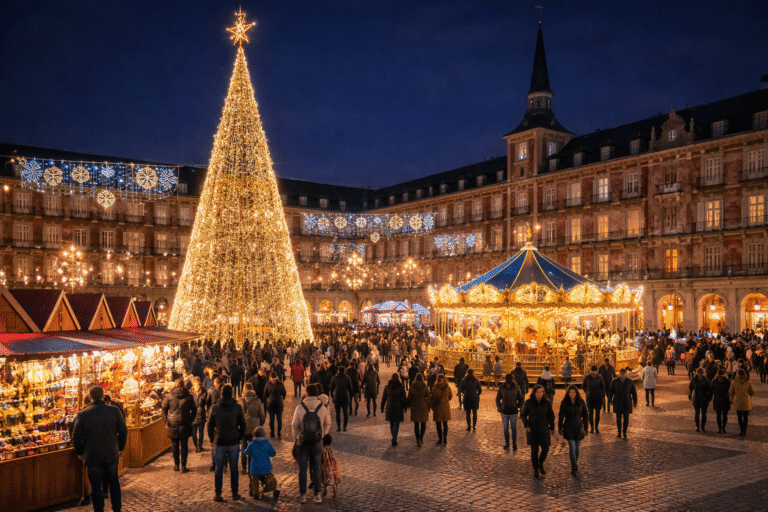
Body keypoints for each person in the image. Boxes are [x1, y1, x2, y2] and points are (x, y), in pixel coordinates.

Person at [72, 386, 128, 512]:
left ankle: (99, 510)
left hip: (92, 455)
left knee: (95, 486)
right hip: (111, 452)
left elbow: (76, 436)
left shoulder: (83, 414)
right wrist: (120, 447)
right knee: (114, 482)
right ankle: (117, 508)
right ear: (103, 396)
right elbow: (123, 431)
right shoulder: (114, 410)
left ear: (90, 397)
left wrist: (79, 451)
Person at [292, 384, 332, 504]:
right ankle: (317, 495)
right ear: (317, 393)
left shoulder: (300, 407)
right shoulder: (322, 408)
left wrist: (296, 438)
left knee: (302, 469)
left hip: (302, 442)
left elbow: (294, 425)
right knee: (316, 468)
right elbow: (328, 423)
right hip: (317, 442)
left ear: (307, 393)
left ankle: (303, 495)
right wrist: (322, 434)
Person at [208, 384, 246, 502]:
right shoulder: (237, 407)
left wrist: (211, 439)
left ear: (222, 394)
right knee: (234, 468)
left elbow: (210, 425)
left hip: (219, 440)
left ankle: (218, 493)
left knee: (219, 468)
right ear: (232, 394)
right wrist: (240, 436)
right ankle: (234, 493)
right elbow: (243, 424)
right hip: (233, 440)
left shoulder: (215, 408)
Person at [162, 378, 197, 473]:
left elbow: (164, 410)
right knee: (184, 445)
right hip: (185, 422)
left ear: (175, 385)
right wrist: (190, 420)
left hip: (172, 423)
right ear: (183, 385)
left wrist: (166, 420)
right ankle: (183, 465)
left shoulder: (169, 396)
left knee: (175, 445)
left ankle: (176, 465)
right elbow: (194, 409)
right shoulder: (189, 396)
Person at [520, 384, 555, 479]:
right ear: (534, 393)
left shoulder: (547, 402)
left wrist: (552, 427)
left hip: (544, 429)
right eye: (538, 392)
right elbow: (523, 415)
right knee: (534, 450)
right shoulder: (529, 402)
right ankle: (535, 469)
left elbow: (551, 416)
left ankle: (540, 462)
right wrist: (526, 425)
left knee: (546, 448)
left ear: (543, 393)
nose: (539, 394)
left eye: (541, 392)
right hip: (533, 429)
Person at [558, 385, 589, 474]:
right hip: (568, 427)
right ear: (568, 393)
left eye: (574, 392)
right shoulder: (564, 402)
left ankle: (574, 463)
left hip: (578, 427)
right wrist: (560, 427)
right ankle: (574, 466)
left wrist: (586, 428)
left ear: (576, 393)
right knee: (572, 447)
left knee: (577, 449)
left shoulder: (581, 402)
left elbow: (585, 415)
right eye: (570, 392)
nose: (572, 394)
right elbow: (561, 416)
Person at [244, 426, 279, 500]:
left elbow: (246, 452)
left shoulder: (251, 443)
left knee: (254, 479)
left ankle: (255, 491)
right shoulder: (267, 443)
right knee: (270, 477)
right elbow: (273, 453)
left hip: (255, 468)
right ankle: (271, 487)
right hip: (266, 467)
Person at [238, 382, 266, 474]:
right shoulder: (257, 401)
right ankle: (251, 467)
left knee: (243, 447)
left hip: (243, 427)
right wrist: (260, 425)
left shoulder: (240, 401)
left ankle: (243, 467)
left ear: (244, 390)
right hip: (254, 428)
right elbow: (262, 416)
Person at [495, 373, 524, 450]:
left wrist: (518, 406)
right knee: (506, 429)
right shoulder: (502, 388)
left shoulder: (516, 388)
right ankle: (508, 443)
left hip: (513, 411)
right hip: (505, 411)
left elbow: (521, 399)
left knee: (513, 428)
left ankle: (513, 443)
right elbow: (497, 398)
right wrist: (499, 406)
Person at [609, 368, 637, 438]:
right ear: (619, 374)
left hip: (626, 402)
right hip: (618, 402)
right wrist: (610, 400)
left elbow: (634, 392)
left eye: (624, 374)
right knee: (618, 419)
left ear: (626, 374)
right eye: (622, 374)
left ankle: (624, 432)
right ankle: (619, 431)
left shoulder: (630, 381)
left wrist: (635, 402)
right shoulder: (615, 381)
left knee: (626, 418)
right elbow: (611, 391)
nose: (623, 375)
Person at [381, 373, 408, 446]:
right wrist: (405, 407)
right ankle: (394, 437)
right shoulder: (401, 387)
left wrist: (382, 407)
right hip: (398, 406)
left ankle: (394, 437)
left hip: (389, 406)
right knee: (397, 423)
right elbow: (404, 398)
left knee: (391, 423)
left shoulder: (387, 387)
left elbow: (384, 398)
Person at [729, 368, 754, 436]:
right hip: (746, 402)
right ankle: (744, 431)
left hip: (737, 401)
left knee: (739, 417)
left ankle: (741, 430)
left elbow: (731, 392)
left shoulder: (733, 382)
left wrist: (731, 398)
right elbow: (752, 392)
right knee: (745, 417)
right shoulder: (748, 382)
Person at [407, 373, 430, 447]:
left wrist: (408, 405)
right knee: (423, 424)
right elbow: (428, 397)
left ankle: (417, 439)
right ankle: (421, 437)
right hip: (423, 406)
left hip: (415, 406)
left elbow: (409, 397)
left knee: (416, 425)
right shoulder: (425, 387)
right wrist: (428, 406)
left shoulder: (412, 387)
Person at [429, 374, 452, 444]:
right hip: (446, 407)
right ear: (444, 380)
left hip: (438, 408)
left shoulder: (435, 388)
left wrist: (430, 406)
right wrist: (445, 401)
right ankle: (445, 437)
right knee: (445, 424)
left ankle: (440, 439)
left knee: (438, 425)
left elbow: (433, 399)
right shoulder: (448, 387)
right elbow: (450, 397)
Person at [582, 365, 605, 434]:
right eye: (593, 371)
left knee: (597, 413)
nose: (594, 373)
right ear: (591, 371)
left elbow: (603, 387)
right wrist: (587, 392)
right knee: (590, 413)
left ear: (597, 371)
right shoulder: (587, 378)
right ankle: (592, 427)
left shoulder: (600, 378)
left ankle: (596, 427)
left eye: (595, 371)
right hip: (590, 398)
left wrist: (603, 396)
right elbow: (583, 386)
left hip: (598, 398)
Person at [329, 365, 353, 432]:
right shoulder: (347, 378)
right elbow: (350, 388)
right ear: (344, 371)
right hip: (345, 397)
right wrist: (349, 395)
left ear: (338, 371)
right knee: (345, 413)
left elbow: (331, 388)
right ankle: (344, 427)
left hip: (337, 397)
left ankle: (338, 427)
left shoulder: (334, 378)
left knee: (337, 413)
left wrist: (332, 396)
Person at [263, 371, 286, 438]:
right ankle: (273, 432)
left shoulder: (270, 384)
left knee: (278, 419)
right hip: (272, 404)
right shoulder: (270, 384)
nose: (273, 380)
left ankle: (278, 432)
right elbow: (265, 394)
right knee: (272, 419)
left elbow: (284, 393)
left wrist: (282, 398)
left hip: (276, 404)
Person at [688, 367, 712, 432]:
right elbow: (691, 387)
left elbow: (709, 390)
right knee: (697, 413)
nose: (700, 374)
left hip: (704, 398)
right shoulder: (694, 379)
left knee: (704, 414)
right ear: (697, 373)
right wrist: (690, 395)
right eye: (699, 373)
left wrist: (709, 397)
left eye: (701, 373)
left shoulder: (706, 380)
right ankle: (697, 426)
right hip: (696, 398)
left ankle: (703, 426)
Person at [190, 377, 208, 452]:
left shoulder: (204, 392)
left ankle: (200, 445)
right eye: (195, 385)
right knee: (193, 432)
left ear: (200, 385)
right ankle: (196, 445)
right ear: (193, 386)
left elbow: (206, 402)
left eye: (198, 385)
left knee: (201, 431)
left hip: (201, 414)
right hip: (193, 415)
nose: (196, 387)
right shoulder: (190, 393)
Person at [710, 369, 731, 434]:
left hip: (718, 399)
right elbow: (730, 391)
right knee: (724, 415)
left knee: (719, 415)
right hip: (724, 399)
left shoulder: (714, 381)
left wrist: (710, 397)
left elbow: (711, 390)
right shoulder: (727, 381)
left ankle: (720, 428)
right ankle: (723, 428)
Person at [321, 433, 341, 498]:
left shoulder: (323, 449)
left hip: (325, 465)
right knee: (332, 477)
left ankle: (325, 490)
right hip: (331, 464)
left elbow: (323, 457)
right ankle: (334, 490)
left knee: (324, 477)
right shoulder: (329, 448)